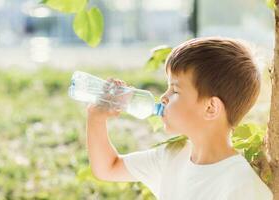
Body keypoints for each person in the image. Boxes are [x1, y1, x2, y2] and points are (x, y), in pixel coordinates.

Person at [85, 37, 273, 199]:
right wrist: (96, 118)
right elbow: (108, 167)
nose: (163, 98)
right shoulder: (173, 155)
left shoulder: (242, 186)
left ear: (210, 108)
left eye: (175, 90)